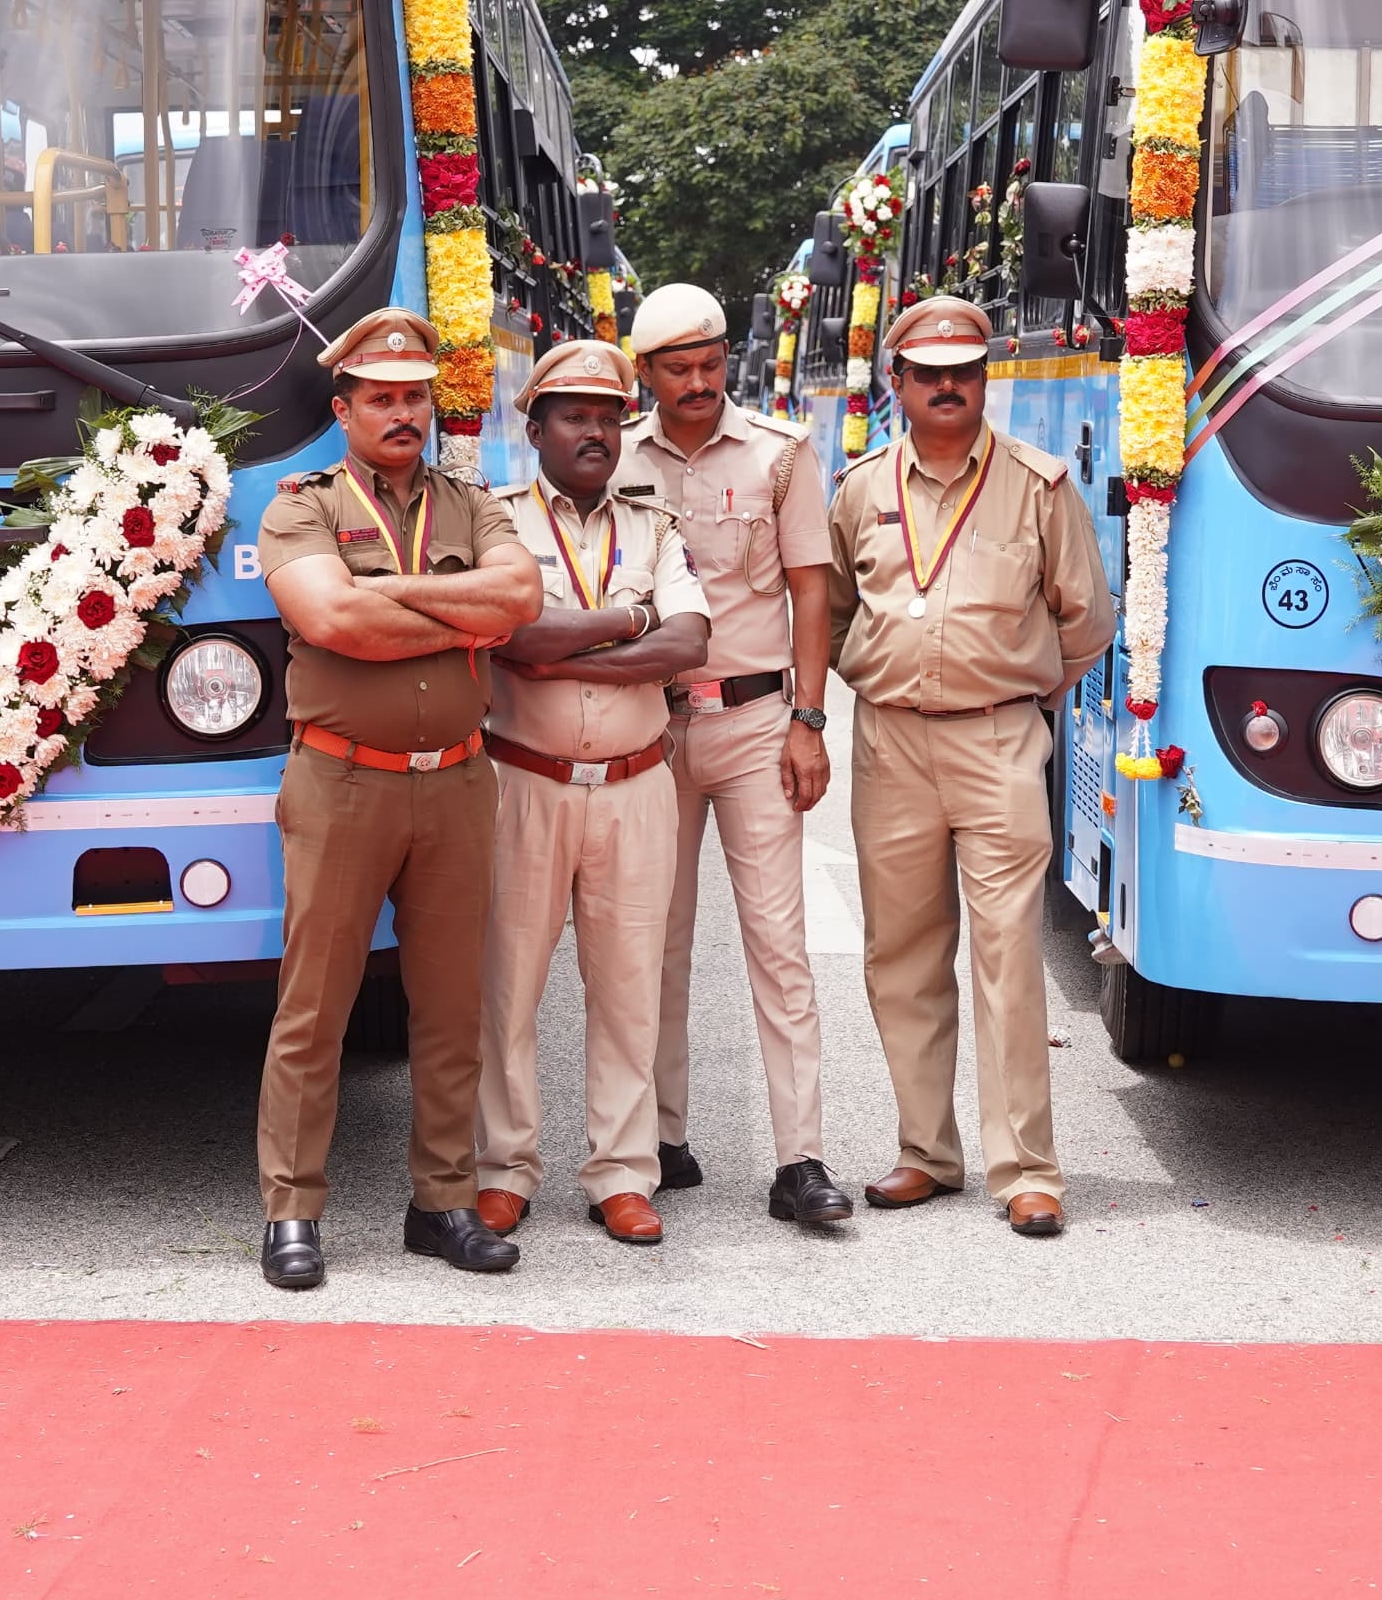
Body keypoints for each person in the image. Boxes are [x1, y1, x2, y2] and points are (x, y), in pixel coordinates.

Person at [249, 307, 541, 1292]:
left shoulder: (474, 505)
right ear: (345, 410)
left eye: (415, 395)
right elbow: (329, 617)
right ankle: (292, 1209)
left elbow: (520, 602)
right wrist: (454, 617)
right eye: (381, 397)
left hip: (457, 781)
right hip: (340, 781)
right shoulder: (302, 508)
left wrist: (391, 604)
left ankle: (442, 1200)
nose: (403, 412)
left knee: (452, 1007)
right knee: (315, 1007)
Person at [827, 294, 1111, 1238]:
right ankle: (925, 1151)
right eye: (930, 372)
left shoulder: (1039, 485)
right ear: (897, 383)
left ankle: (1026, 1166)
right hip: (891, 740)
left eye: (966, 370)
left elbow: (1086, 619)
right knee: (900, 956)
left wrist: (1021, 697)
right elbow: (830, 616)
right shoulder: (861, 489)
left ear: (985, 378)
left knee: (1006, 957)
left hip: (998, 739)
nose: (949, 385)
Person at [624, 280, 851, 1230]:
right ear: (647, 374)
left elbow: (812, 591)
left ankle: (799, 1157)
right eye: (678, 369)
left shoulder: (780, 454)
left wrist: (809, 718)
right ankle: (660, 1141)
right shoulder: (619, 458)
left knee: (778, 945)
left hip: (758, 722)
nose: (699, 383)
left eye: (712, 364)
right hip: (652, 725)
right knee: (653, 939)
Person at [472, 337, 708, 1246]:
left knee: (627, 988)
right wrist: (628, 621)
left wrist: (572, 639)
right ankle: (504, 1169)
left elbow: (689, 644)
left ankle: (620, 1171)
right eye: (576, 416)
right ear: (533, 429)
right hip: (522, 783)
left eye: (610, 417)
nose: (597, 432)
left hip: (635, 786)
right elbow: (512, 639)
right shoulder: (495, 525)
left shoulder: (654, 525)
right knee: (509, 987)